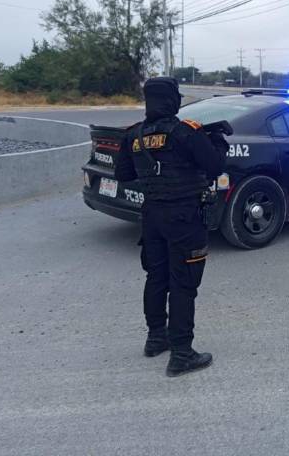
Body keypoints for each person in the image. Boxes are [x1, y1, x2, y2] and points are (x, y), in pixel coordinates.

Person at [115, 77, 228, 377]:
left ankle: (156, 338)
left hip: (151, 216)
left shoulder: (134, 135)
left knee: (157, 277)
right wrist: (216, 142)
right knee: (184, 283)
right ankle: (182, 354)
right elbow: (216, 166)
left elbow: (123, 173)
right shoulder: (184, 132)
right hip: (184, 217)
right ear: (172, 100)